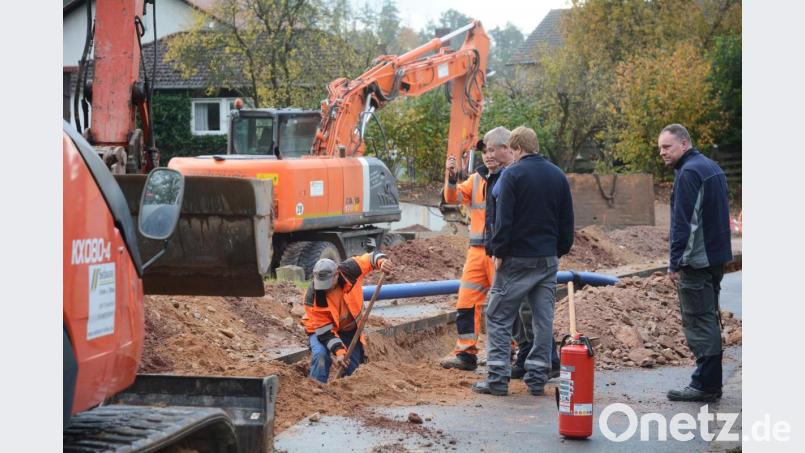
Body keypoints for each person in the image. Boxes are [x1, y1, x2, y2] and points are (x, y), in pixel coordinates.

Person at [474, 126, 574, 396]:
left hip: (517, 259)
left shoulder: (512, 175)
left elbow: (504, 220)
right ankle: (537, 379)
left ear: (516, 149)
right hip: (547, 259)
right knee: (543, 320)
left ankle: (496, 380)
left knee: (498, 315)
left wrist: (498, 251)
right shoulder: (557, 175)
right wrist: (558, 251)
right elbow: (567, 222)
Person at [658, 124, 732, 402]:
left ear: (684, 144)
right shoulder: (710, 167)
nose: (662, 153)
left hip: (697, 262)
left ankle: (705, 384)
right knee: (709, 318)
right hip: (715, 257)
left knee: (699, 321)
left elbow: (684, 224)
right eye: (660, 148)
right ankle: (709, 380)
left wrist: (675, 263)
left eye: (667, 147)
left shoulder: (689, 173)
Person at [438, 136, 500, 371]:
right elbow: (451, 198)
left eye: (493, 150)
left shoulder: (510, 178)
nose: (488, 155)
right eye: (485, 151)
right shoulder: (476, 180)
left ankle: (512, 351)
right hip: (477, 252)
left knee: (505, 304)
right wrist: (452, 177)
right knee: (466, 302)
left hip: (500, 252)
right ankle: (465, 353)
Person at [302, 251, 394, 383]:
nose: (325, 289)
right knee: (321, 355)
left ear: (337, 274)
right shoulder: (313, 297)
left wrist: (382, 262)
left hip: (349, 329)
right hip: (320, 331)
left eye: (328, 283)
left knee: (352, 370)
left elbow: (370, 258)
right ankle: (317, 391)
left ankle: (345, 395)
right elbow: (325, 333)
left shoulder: (350, 270)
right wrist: (339, 352)